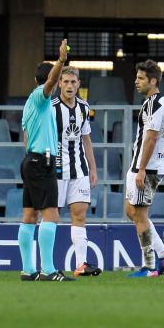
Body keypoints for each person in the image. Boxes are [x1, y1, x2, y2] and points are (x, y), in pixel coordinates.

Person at [18, 41, 74, 282]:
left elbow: (26, 137)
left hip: (31, 160)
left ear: (33, 79)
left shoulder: (30, 105)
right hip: (42, 161)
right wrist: (61, 61)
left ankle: (28, 270)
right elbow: (49, 84)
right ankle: (49, 270)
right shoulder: (40, 99)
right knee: (51, 215)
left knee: (29, 216)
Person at [126, 60, 164, 277]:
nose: (136, 82)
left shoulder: (156, 105)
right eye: (136, 77)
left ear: (153, 81)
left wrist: (142, 169)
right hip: (143, 165)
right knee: (132, 212)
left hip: (147, 167)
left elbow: (152, 138)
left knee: (140, 214)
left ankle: (149, 266)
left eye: (141, 78)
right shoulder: (155, 102)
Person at [52, 66, 101, 277]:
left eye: (73, 82)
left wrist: (93, 168)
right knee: (51, 217)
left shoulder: (84, 107)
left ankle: (81, 265)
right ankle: (47, 265)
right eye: (66, 82)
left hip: (79, 170)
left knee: (79, 216)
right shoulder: (51, 108)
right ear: (59, 84)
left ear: (79, 84)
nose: (70, 86)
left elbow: (86, 139)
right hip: (55, 171)